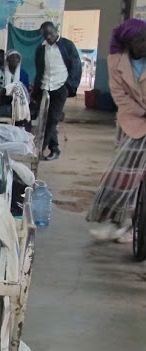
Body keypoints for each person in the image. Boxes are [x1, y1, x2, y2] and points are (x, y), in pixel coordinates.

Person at [87, 19, 146, 243]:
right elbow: (120, 97)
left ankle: (134, 223)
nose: (144, 43)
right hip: (132, 119)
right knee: (122, 170)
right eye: (138, 41)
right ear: (128, 43)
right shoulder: (116, 62)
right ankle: (114, 218)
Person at [32, 21, 82, 161]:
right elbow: (40, 70)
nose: (49, 37)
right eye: (45, 35)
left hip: (61, 87)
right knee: (45, 119)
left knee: (53, 119)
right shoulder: (40, 49)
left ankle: (39, 150)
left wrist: (69, 85)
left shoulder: (67, 45)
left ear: (56, 30)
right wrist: (36, 89)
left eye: (51, 34)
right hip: (45, 87)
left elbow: (76, 67)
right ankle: (55, 149)